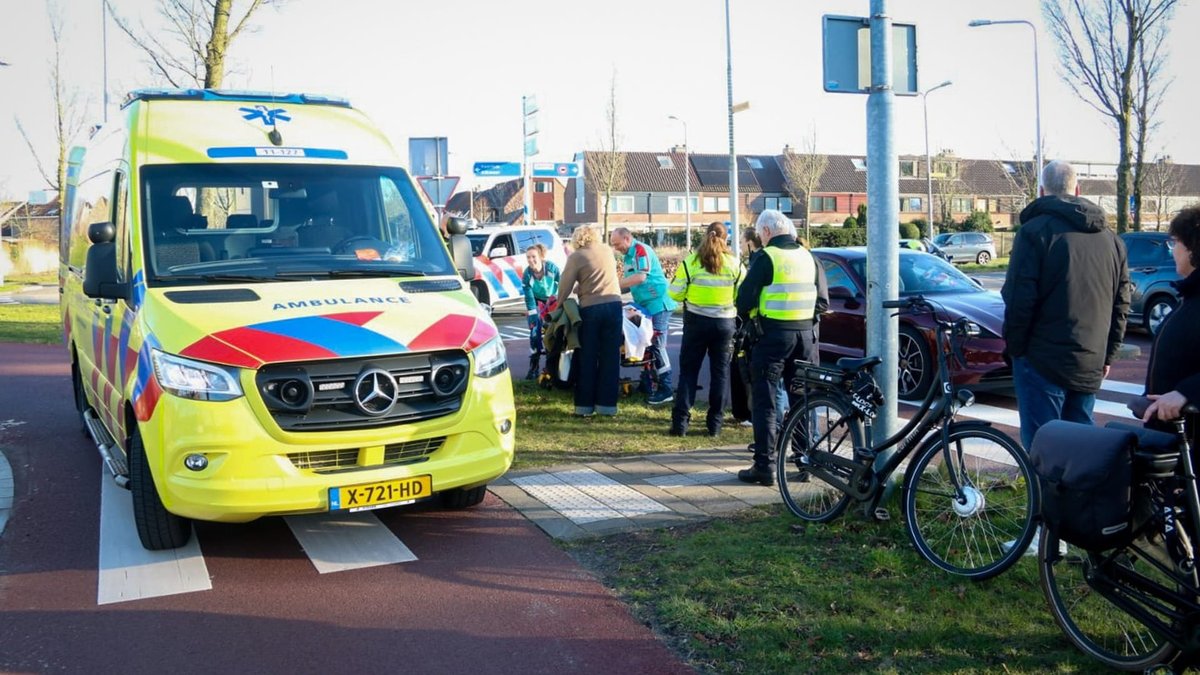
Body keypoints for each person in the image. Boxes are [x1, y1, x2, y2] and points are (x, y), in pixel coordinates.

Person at [1001, 159, 1131, 451]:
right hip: (1090, 360)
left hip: (1042, 360)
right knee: (1081, 451)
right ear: (1078, 188)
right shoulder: (1111, 239)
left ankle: (1046, 497)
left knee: (1044, 449)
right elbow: (1121, 303)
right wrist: (1108, 354)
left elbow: (1020, 299)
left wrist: (1015, 349)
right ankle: (1079, 498)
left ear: (1042, 190)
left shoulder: (1034, 233)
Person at [734, 210, 829, 485]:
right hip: (806, 338)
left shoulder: (767, 258)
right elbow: (823, 302)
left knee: (765, 401)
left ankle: (764, 467)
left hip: (772, 338)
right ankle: (804, 461)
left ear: (765, 232)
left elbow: (743, 300)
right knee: (803, 399)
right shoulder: (809, 256)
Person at [667, 222, 744, 437]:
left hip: (695, 322)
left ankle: (680, 424)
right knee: (720, 374)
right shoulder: (734, 264)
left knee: (688, 372)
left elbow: (674, 293)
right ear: (725, 238)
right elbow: (742, 293)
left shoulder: (690, 262)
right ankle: (715, 426)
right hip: (725, 324)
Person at [1141, 205, 1200, 448]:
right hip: (1174, 435)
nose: (1172, 251)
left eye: (1175, 243)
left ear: (1193, 249)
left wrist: (1187, 392)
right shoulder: (1190, 295)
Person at [557, 226, 623, 417]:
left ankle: (584, 407)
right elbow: (600, 278)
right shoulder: (607, 252)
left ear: (577, 239)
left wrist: (558, 305)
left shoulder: (577, 256)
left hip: (591, 309)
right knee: (610, 358)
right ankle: (607, 407)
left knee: (587, 357)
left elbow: (565, 284)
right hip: (614, 306)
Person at [609, 227, 678, 405]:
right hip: (644, 304)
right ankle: (647, 380)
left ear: (627, 238)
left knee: (656, 345)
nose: (616, 248)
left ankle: (666, 388)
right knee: (643, 340)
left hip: (657, 303)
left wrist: (613, 284)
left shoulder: (640, 250)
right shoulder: (627, 256)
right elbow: (629, 284)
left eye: (617, 244)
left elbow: (640, 277)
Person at [521, 243, 560, 380]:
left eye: (533, 257)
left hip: (552, 300)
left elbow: (561, 285)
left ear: (541, 257)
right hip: (537, 301)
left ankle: (552, 365)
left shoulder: (552, 268)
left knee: (553, 331)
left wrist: (556, 301)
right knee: (534, 332)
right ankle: (534, 366)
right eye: (528, 257)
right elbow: (529, 298)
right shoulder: (527, 274)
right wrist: (533, 315)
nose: (531, 260)